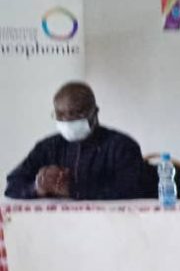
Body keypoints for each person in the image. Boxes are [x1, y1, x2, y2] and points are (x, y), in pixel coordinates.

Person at [5, 82, 151, 200]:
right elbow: (12, 185)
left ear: (95, 112)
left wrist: (73, 189)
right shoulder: (48, 147)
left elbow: (134, 189)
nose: (68, 120)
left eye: (77, 113)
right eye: (60, 114)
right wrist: (37, 187)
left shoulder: (121, 145)